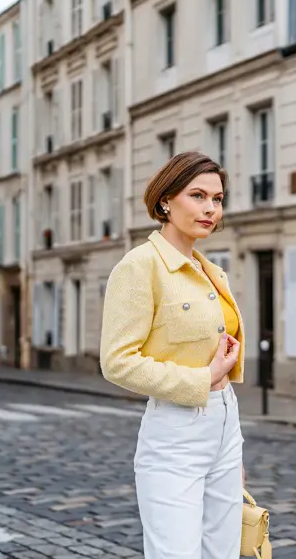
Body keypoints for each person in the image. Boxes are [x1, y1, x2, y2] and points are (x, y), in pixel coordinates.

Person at [99, 151, 245, 559]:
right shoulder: (139, 267)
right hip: (175, 433)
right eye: (198, 195)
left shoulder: (210, 270)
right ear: (166, 200)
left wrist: (227, 445)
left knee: (225, 553)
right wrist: (202, 379)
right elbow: (117, 361)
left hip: (225, 424)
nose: (210, 209)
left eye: (217, 199)